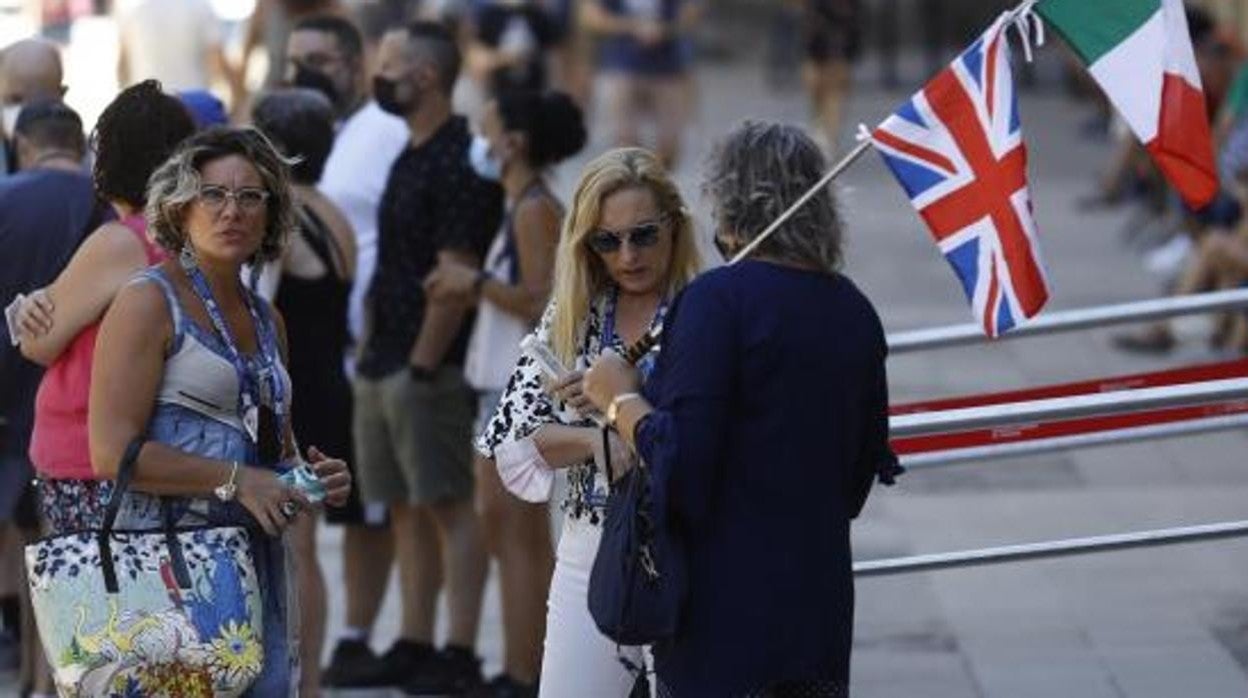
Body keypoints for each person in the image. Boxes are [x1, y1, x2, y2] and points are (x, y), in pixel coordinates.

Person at [582, 122, 898, 698]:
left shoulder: (717, 301)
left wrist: (618, 398)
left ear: (729, 199)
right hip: (816, 606)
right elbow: (855, 480)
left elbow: (683, 467)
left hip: (724, 613)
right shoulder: (854, 310)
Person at [89, 126, 352, 696]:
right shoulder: (147, 301)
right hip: (168, 571)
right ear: (181, 207)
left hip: (252, 570)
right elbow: (111, 454)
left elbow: (270, 457)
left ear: (270, 213)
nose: (231, 210)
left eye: (250, 196)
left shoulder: (265, 318)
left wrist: (310, 480)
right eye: (213, 194)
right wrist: (238, 481)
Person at [477, 147, 701, 697]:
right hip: (592, 541)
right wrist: (595, 438)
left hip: (689, 543)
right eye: (607, 241)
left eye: (643, 234)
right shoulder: (579, 313)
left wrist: (625, 404)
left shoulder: (704, 310)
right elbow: (511, 436)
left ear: (674, 227)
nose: (627, 255)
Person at [354, 21, 503, 694]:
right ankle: (414, 638)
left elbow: (456, 273)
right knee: (407, 507)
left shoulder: (461, 159)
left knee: (448, 505)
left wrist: (420, 363)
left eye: (388, 63)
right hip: (384, 359)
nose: (376, 75)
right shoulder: (410, 152)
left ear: (427, 76)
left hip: (426, 366)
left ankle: (460, 648)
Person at [423, 89, 586, 697]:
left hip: (517, 391)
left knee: (516, 537)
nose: (480, 143)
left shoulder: (533, 208)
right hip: (498, 385)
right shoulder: (522, 202)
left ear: (513, 142)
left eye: (488, 129)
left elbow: (543, 300)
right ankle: (525, 663)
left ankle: (529, 671)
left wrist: (475, 280)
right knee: (505, 532)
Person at [283, 13, 410, 690]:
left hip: (362, 353)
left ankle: (355, 637)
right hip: (326, 359)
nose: (304, 72)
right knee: (314, 523)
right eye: (294, 61)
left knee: (365, 510)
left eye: (319, 60)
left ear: (354, 66)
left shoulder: (385, 137)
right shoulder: (299, 163)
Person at [12, 81, 195, 535]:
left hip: (91, 460)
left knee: (97, 605)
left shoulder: (123, 240)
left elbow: (38, 341)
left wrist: (30, 309)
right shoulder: (188, 240)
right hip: (155, 454)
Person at [0, 100, 109, 698]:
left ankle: (34, 677)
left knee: (31, 549)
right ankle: (50, 679)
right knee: (66, 554)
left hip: (14, 398)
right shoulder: (112, 210)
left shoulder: (7, 197)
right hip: (87, 403)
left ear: (22, 145)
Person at [252, 87, 357, 698]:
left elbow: (257, 311)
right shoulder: (333, 212)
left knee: (297, 544)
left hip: (299, 400)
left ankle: (305, 681)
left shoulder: (287, 222)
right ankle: (307, 679)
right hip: (327, 386)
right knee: (304, 543)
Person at [581, 0, 703, 168]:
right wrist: (634, 26)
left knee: (669, 147)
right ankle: (639, 184)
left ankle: (657, 184)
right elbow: (592, 18)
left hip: (668, 68)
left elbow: (691, 14)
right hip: (621, 66)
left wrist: (664, 29)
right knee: (626, 144)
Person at [116, 0, 245, 109]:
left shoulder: (135, 11)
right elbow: (217, 63)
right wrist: (238, 99)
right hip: (191, 108)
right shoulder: (201, 8)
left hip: (147, 107)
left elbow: (122, 69)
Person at [466, 0, 562, 97]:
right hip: (500, 98)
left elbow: (557, 61)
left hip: (535, 99)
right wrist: (508, 58)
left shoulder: (539, 16)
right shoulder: (490, 16)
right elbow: (476, 61)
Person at [0, 38, 66, 177]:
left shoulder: (86, 162)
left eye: (40, 100)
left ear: (61, 95)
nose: (27, 111)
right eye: (15, 99)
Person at [802, 0, 860, 152]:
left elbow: (852, 17)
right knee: (816, 92)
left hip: (840, 48)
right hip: (816, 47)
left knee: (834, 94)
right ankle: (820, 128)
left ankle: (828, 135)